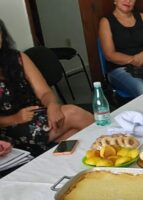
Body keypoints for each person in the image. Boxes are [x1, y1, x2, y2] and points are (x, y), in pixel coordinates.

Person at [0, 19, 92, 156]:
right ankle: (116, 144)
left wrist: (53, 106)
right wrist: (16, 118)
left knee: (75, 135)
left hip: (38, 114)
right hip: (10, 128)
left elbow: (44, 92)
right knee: (74, 114)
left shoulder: (18, 57)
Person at [99, 0, 143, 97]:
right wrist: (142, 61)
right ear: (115, 1)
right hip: (120, 68)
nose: (128, 1)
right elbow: (110, 55)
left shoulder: (142, 17)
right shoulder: (106, 21)